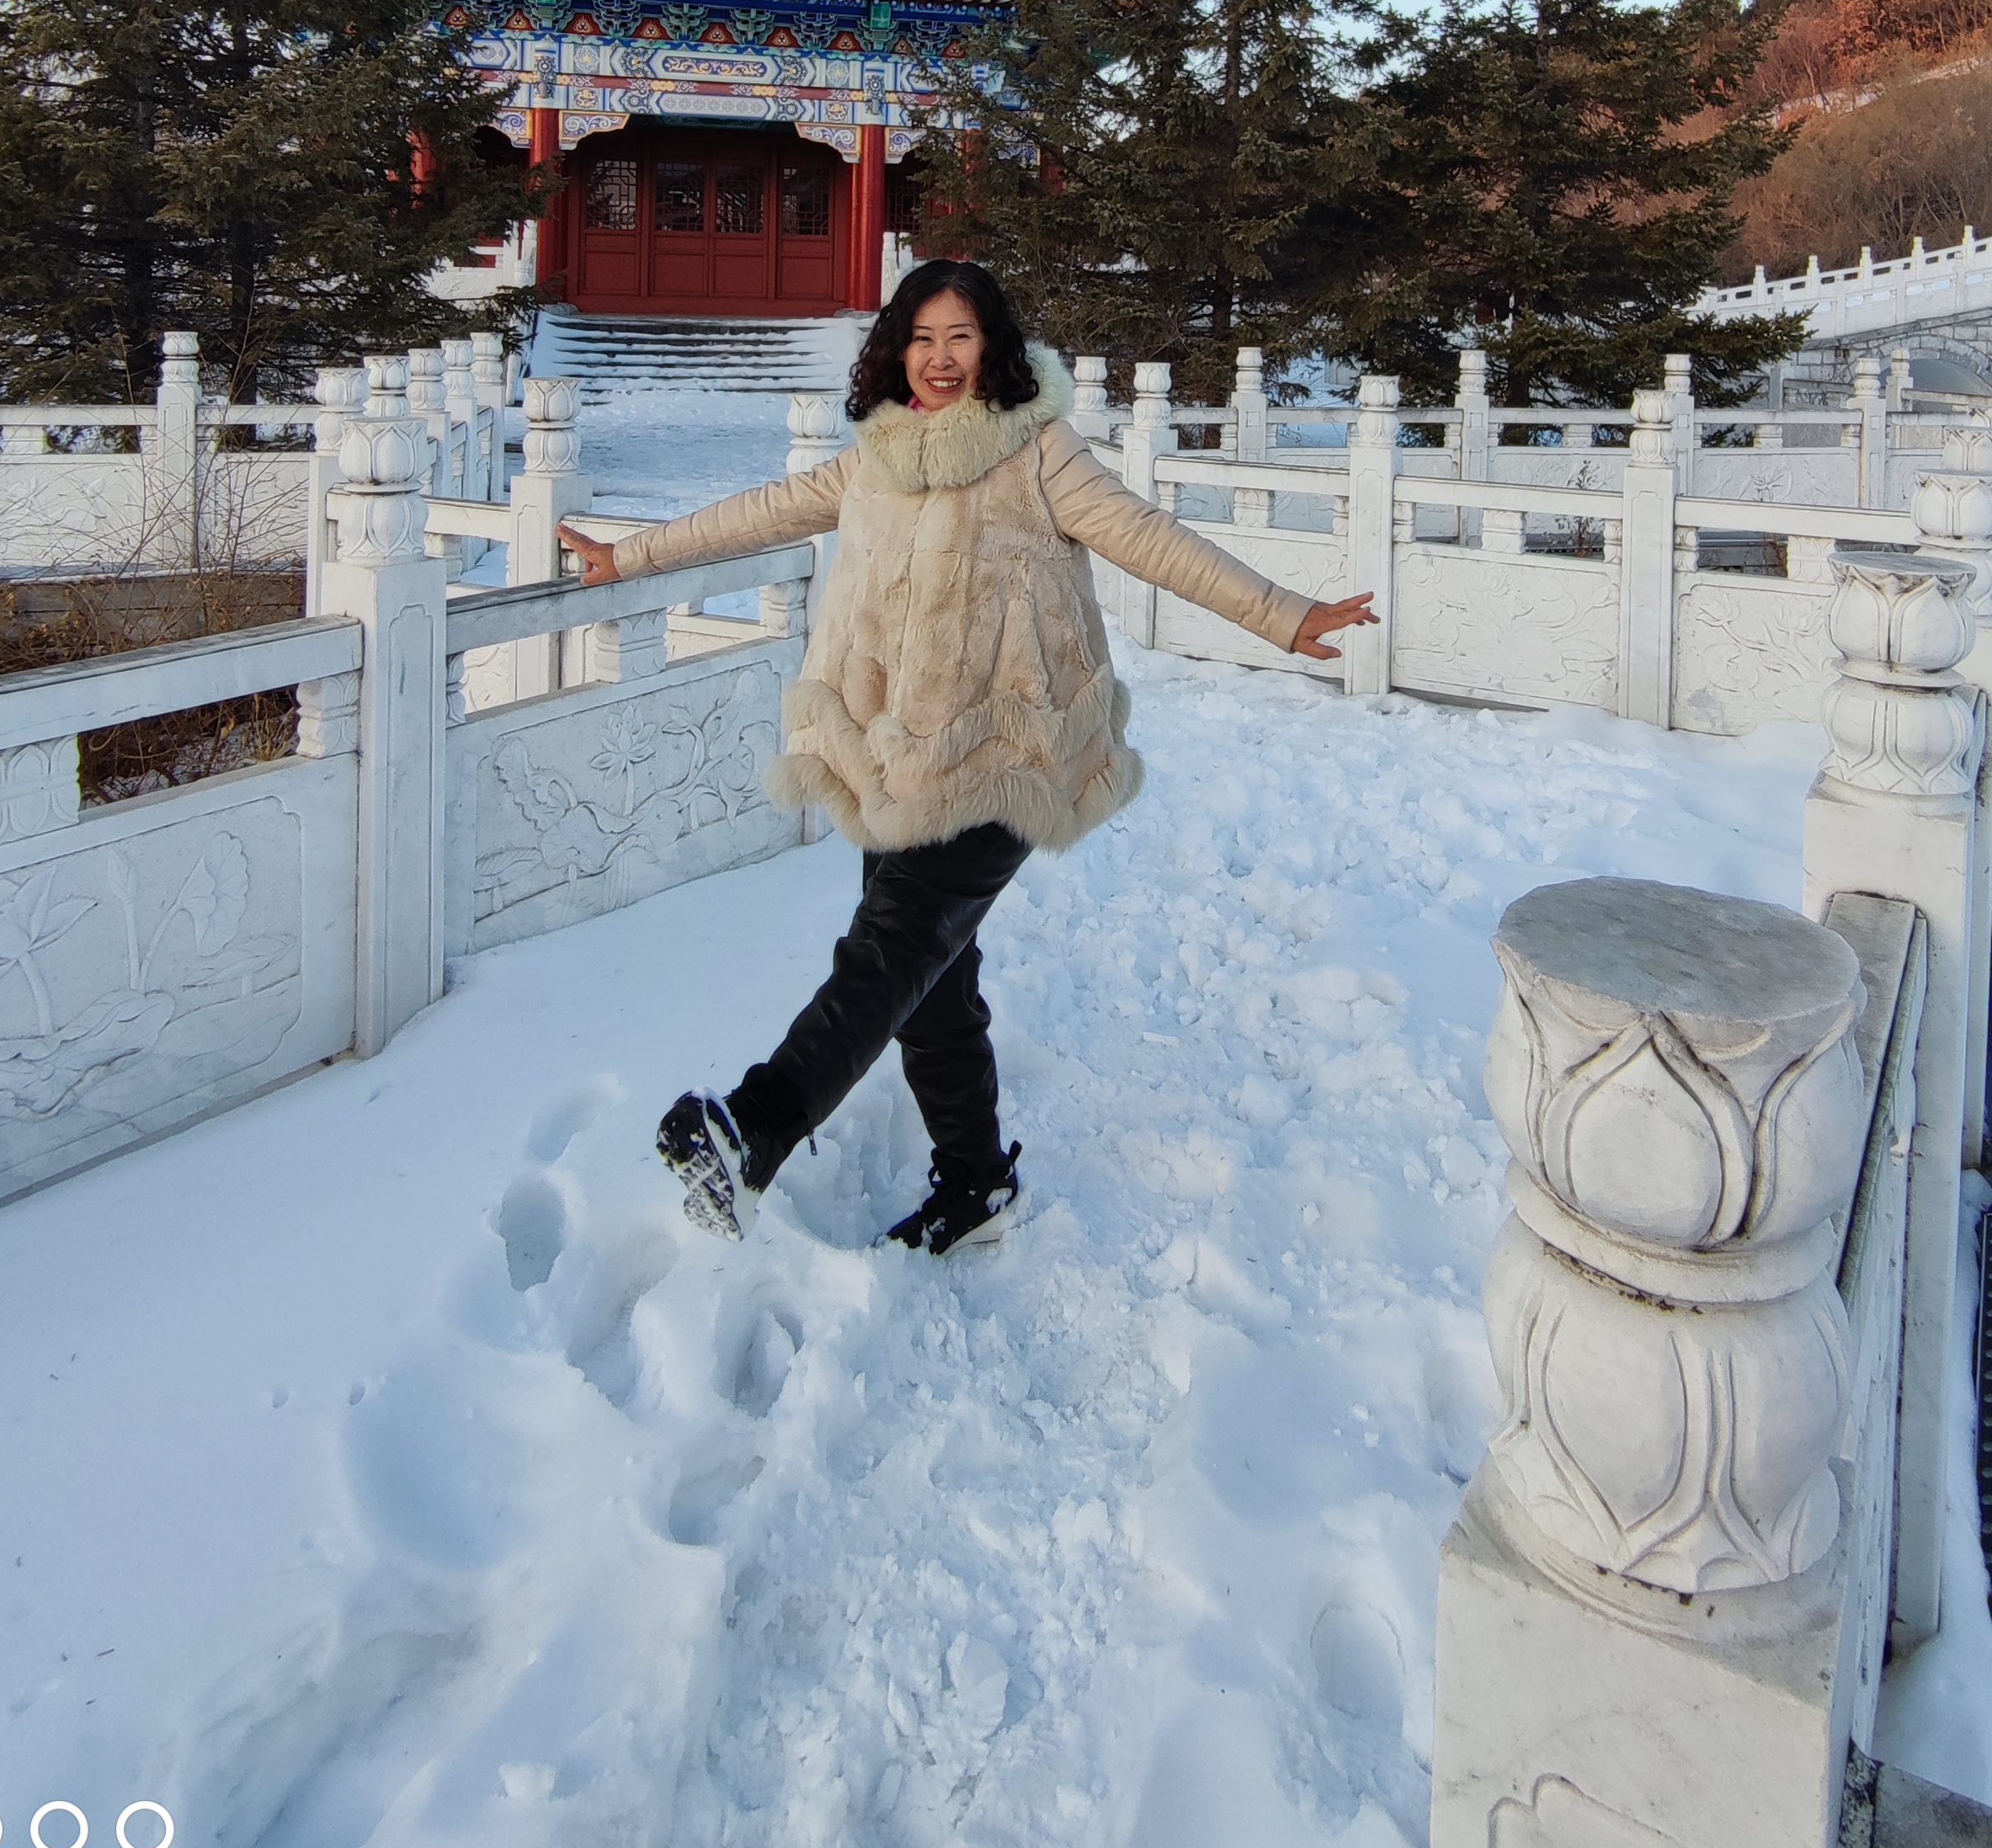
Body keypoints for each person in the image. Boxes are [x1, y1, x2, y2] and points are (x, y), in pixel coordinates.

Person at [558, 259, 1378, 1256]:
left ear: (992, 344)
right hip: (898, 755)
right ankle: (979, 1180)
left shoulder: (1039, 450)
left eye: (961, 336)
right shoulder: (879, 454)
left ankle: (755, 1128)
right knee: (928, 981)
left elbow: (1149, 538)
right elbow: (765, 511)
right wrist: (630, 552)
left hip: (1012, 749)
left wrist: (1282, 614)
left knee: (892, 949)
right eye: (923, 337)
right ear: (897, 350)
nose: (942, 358)